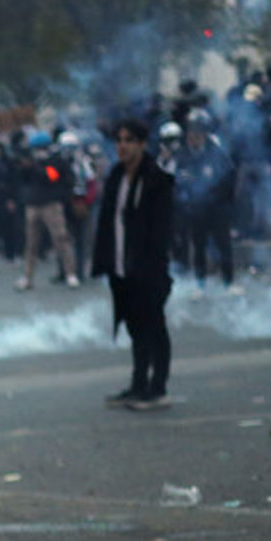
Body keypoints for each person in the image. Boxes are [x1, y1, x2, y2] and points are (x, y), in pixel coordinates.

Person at [91, 118, 175, 412]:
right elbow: (107, 222)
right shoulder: (116, 176)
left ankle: (158, 387)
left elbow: (161, 230)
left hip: (148, 269)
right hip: (121, 267)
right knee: (135, 328)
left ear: (141, 144)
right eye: (119, 140)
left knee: (154, 326)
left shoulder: (156, 180)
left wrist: (152, 266)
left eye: (129, 140)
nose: (122, 146)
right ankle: (139, 384)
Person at [175, 111, 241, 297]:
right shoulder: (183, 156)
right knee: (198, 246)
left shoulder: (217, 153)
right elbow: (178, 182)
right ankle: (200, 284)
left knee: (223, 245)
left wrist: (219, 199)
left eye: (197, 133)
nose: (193, 138)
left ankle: (228, 282)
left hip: (217, 209)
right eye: (190, 134)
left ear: (204, 134)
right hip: (196, 210)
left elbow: (229, 179)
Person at [15, 131, 81, 291]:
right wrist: (24, 167)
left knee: (61, 239)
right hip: (33, 204)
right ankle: (27, 277)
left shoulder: (56, 161)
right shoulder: (31, 161)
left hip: (51, 204)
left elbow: (52, 177)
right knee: (31, 244)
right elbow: (23, 179)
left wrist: (35, 166)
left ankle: (70, 273)